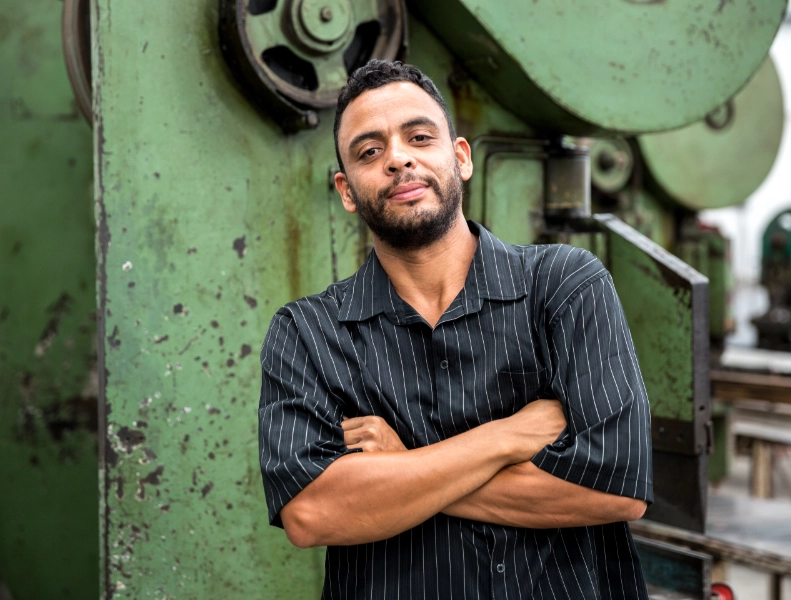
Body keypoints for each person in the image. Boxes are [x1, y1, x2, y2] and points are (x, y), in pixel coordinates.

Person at [258, 60, 653, 599]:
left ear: (460, 158)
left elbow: (616, 488)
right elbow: (313, 511)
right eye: (370, 152)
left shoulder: (564, 285)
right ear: (346, 190)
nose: (398, 158)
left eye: (419, 137)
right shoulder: (307, 332)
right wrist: (505, 437)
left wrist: (401, 470)